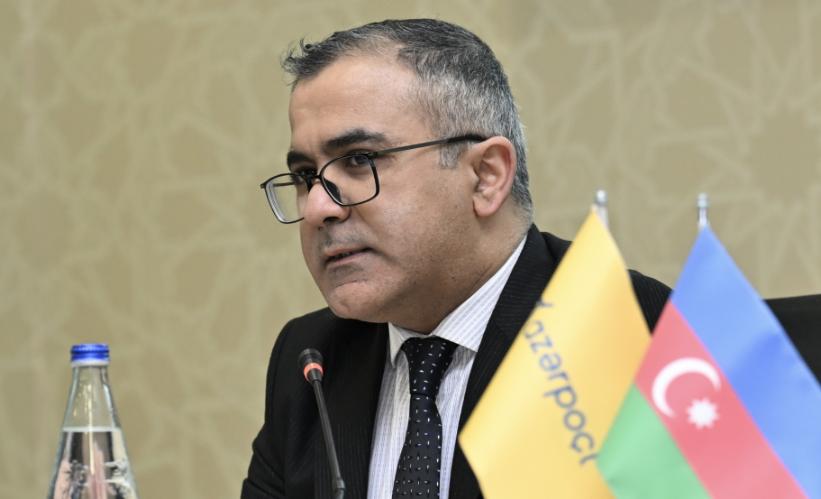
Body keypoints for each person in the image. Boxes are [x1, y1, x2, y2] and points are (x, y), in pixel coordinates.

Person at [241, 18, 670, 499]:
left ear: (486, 177)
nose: (319, 207)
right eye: (305, 176)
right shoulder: (311, 358)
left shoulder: (640, 336)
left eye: (359, 160)